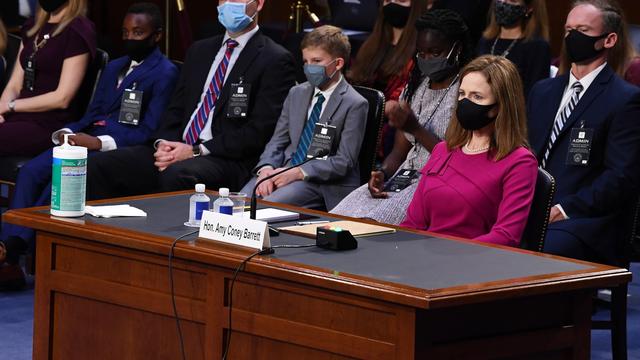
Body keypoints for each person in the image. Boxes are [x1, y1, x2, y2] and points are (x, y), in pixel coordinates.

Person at [0, 2, 178, 290]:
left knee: (59, 177)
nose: (130, 38)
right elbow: (92, 114)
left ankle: (12, 249)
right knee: (31, 171)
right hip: (83, 137)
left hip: (117, 147)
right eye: (126, 32)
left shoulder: (165, 72)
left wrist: (98, 142)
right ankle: (9, 254)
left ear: (156, 36)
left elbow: (149, 130)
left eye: (138, 33)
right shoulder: (116, 66)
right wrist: (67, 133)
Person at [85, 0, 296, 200]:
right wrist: (163, 145)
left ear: (258, 4)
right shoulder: (199, 50)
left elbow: (258, 132)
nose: (229, 5)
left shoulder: (275, 58)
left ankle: (156, 238)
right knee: (98, 165)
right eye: (224, 0)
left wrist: (194, 151)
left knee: (178, 175)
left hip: (224, 158)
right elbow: (175, 109)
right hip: (177, 148)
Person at [332, 9, 471, 224]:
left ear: (457, 49)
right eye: (422, 53)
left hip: (436, 182)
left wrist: (416, 128)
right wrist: (383, 173)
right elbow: (399, 151)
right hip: (403, 176)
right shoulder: (416, 84)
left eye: (435, 53)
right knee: (337, 218)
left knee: (368, 224)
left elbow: (456, 163)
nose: (427, 59)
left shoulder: (467, 90)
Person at [527, 0, 640, 264]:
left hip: (582, 218)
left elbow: (620, 177)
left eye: (582, 30)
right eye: (568, 30)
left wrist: (564, 209)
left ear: (609, 40)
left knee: (538, 248)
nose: (572, 37)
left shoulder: (625, 100)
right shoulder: (542, 91)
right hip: (529, 204)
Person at [401, 55, 538, 247]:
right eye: (462, 94)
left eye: (477, 96)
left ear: (500, 106)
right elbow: (413, 222)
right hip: (424, 256)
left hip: (472, 262)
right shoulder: (443, 150)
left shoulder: (519, 162)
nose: (465, 102)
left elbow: (506, 235)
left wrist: (449, 253)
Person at [240, 25, 367, 210]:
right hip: (282, 171)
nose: (309, 68)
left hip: (322, 183)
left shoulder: (355, 103)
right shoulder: (296, 93)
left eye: (316, 61)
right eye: (306, 61)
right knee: (239, 202)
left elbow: (343, 161)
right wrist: (266, 169)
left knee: (261, 208)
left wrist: (299, 172)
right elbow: (277, 141)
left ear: (338, 63)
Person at [0, 0, 96, 156]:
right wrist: (1, 110)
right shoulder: (33, 26)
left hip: (49, 123)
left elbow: (62, 98)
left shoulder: (78, 30)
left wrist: (10, 105)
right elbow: (15, 84)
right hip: (16, 116)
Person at [348, 0, 427, 162]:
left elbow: (404, 103)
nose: (392, 4)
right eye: (388, 0)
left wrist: (384, 106)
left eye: (401, 0)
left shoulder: (421, 51)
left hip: (392, 134)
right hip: (359, 123)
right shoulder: (370, 45)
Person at [477, 0, 550, 97]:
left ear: (528, 8)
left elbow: (534, 94)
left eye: (512, 1)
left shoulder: (537, 47)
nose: (503, 4)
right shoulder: (485, 41)